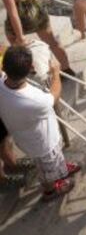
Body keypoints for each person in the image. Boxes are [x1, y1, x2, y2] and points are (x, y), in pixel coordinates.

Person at [0, 46, 80, 200]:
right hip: (43, 143)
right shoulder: (34, 100)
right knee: (46, 170)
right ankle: (50, 190)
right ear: (31, 68)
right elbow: (54, 96)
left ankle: (60, 169)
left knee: (52, 162)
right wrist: (56, 73)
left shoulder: (2, 83)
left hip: (26, 137)